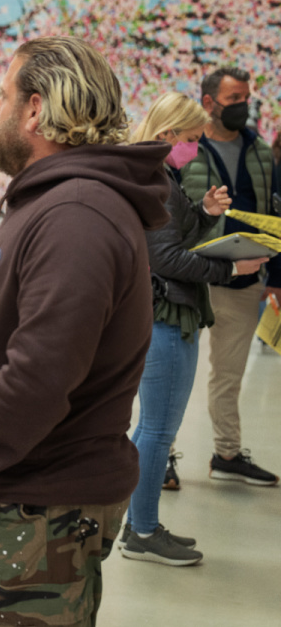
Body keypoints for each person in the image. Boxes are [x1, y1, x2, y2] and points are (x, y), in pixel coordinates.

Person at [0, 36, 170, 626]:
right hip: (7, 502)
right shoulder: (58, 203)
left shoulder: (77, 213)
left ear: (34, 109)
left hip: (34, 510)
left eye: (1, 95)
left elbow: (41, 374)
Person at [120, 93, 269, 567]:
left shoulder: (160, 175)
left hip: (169, 312)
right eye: (188, 139)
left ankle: (141, 525)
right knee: (158, 432)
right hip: (165, 316)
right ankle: (141, 531)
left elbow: (173, 237)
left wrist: (202, 212)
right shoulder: (154, 178)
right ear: (166, 135)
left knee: (154, 429)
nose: (193, 147)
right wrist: (231, 272)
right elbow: (164, 257)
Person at [180, 67, 281, 486]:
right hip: (187, 278)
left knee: (229, 373)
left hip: (243, 278)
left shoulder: (258, 149)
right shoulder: (184, 148)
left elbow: (274, 212)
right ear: (208, 103)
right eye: (234, 98)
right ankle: (162, 456)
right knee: (171, 371)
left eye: (245, 97)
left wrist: (274, 275)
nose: (243, 105)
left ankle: (227, 453)